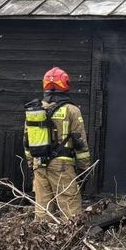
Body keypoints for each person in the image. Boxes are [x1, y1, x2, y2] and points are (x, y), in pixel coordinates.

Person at [23, 67, 91, 221]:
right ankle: (71, 240)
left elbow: (26, 141)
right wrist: (84, 168)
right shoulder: (72, 110)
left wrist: (30, 163)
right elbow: (80, 142)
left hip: (38, 164)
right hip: (62, 165)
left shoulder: (35, 110)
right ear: (65, 84)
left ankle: (40, 240)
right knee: (70, 209)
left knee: (42, 209)